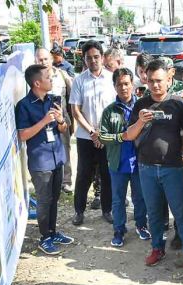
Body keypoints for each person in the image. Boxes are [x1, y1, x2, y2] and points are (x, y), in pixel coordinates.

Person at [122, 59, 183, 271]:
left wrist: (180, 150)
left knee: (180, 212)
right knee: (154, 212)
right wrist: (140, 121)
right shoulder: (140, 104)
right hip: (146, 168)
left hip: (171, 168)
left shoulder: (178, 105)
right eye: (151, 81)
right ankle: (157, 248)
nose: (155, 85)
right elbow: (128, 135)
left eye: (160, 81)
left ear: (169, 79)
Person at [15, 64, 74, 255]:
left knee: (54, 198)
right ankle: (44, 238)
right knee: (43, 200)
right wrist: (43, 122)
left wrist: (60, 121)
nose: (52, 80)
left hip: (57, 157)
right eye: (48, 78)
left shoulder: (54, 100)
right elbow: (23, 135)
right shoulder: (24, 106)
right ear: (37, 83)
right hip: (41, 161)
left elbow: (64, 129)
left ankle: (53, 232)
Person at [98, 67, 151, 247]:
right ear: (114, 86)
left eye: (127, 84)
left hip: (139, 162)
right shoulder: (109, 111)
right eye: (119, 84)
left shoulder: (143, 107)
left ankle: (141, 225)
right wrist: (121, 137)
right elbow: (102, 137)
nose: (124, 88)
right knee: (118, 199)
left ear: (133, 85)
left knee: (140, 197)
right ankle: (119, 230)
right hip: (117, 163)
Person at [69, 41, 116, 225]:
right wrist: (92, 132)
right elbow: (76, 111)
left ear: (103, 58)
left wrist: (103, 133)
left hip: (108, 136)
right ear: (85, 60)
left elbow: (116, 108)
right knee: (83, 175)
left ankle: (107, 210)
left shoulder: (112, 78)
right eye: (89, 58)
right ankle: (79, 212)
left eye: (96, 57)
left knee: (107, 174)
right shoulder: (79, 81)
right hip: (85, 137)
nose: (93, 60)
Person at [35, 48, 75, 194]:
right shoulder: (33, 79)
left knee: (64, 149)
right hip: (41, 122)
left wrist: (71, 121)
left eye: (46, 59)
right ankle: (51, 181)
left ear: (51, 60)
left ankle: (66, 181)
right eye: (40, 60)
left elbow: (72, 98)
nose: (43, 62)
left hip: (61, 120)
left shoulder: (63, 75)